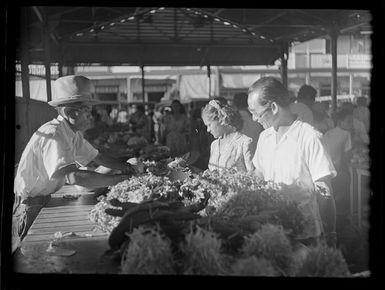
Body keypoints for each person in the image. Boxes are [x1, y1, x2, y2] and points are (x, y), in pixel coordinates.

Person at [12, 75, 138, 253]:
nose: (91, 117)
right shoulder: (54, 134)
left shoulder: (72, 133)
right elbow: (73, 176)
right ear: (71, 113)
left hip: (43, 199)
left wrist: (128, 168)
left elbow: (98, 157)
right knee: (32, 255)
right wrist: (118, 181)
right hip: (30, 205)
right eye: (87, 111)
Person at [247, 77, 337, 247]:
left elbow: (324, 193)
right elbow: (258, 174)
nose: (253, 119)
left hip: (304, 234)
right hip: (271, 230)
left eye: (255, 112)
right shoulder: (264, 137)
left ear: (273, 107)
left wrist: (331, 233)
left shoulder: (309, 137)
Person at [201, 99, 255, 172]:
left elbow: (252, 175)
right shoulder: (214, 145)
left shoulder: (244, 142)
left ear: (220, 119)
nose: (208, 130)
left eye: (209, 125)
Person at [322, 109, 353, 216]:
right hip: (337, 169)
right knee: (348, 182)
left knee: (331, 192)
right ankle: (343, 213)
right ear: (340, 122)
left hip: (325, 168)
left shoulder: (328, 133)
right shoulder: (346, 133)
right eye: (349, 121)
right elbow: (348, 155)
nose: (352, 124)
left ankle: (331, 214)